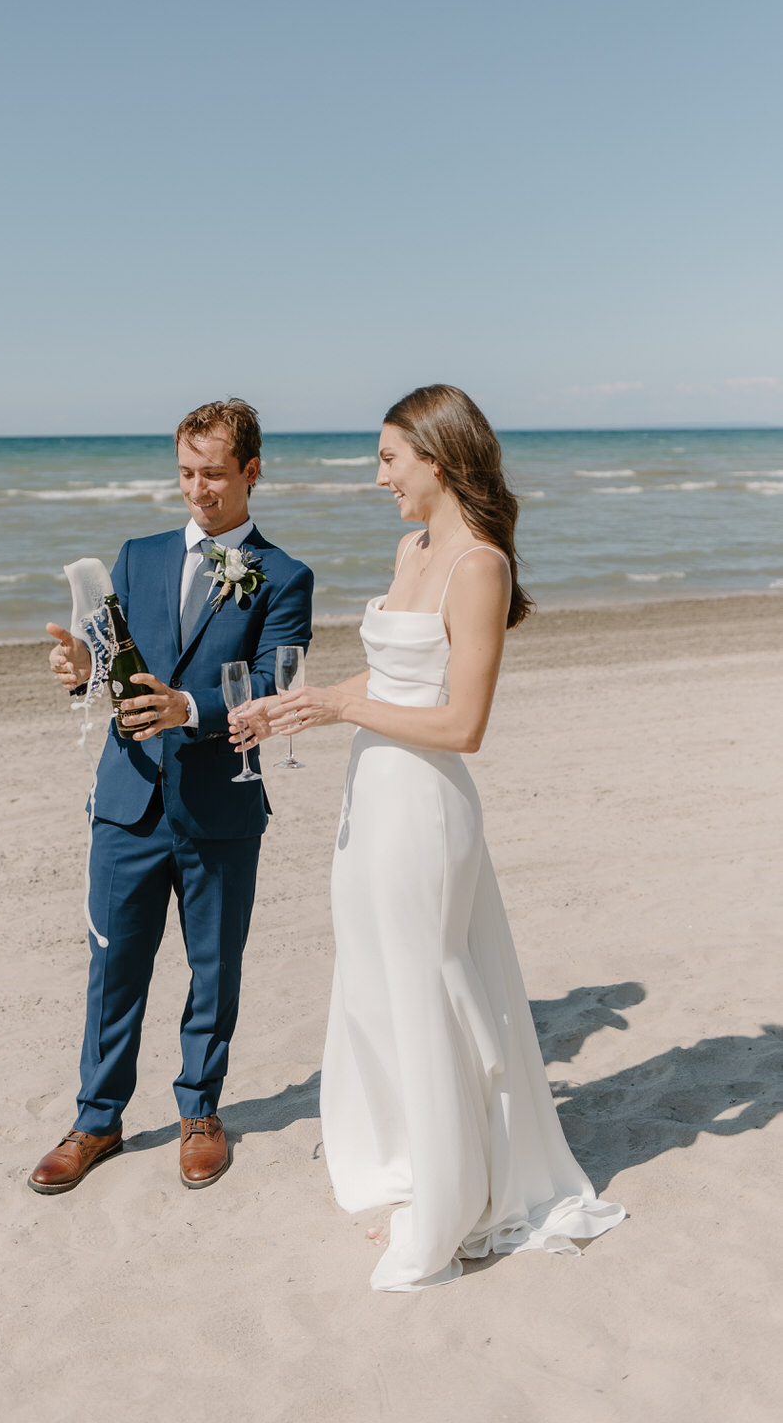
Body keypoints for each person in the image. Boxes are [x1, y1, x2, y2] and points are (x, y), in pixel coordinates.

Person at [231, 385, 624, 1289]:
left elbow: (461, 726)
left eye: (388, 460)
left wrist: (339, 704)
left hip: (424, 805)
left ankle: (451, 1204)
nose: (378, 479)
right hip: (369, 794)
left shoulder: (476, 566)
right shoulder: (410, 548)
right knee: (376, 981)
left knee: (428, 987)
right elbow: (388, 677)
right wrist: (302, 708)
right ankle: (413, 1167)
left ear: (436, 461)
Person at [29, 399, 313, 1196]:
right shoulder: (135, 554)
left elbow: (274, 684)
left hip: (221, 802)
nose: (197, 490)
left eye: (213, 475)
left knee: (213, 968)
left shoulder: (285, 577)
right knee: (113, 966)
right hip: (127, 800)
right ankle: (96, 1119)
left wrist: (190, 707)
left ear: (251, 472)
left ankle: (200, 1111)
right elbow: (108, 657)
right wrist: (79, 673)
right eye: (186, 473)